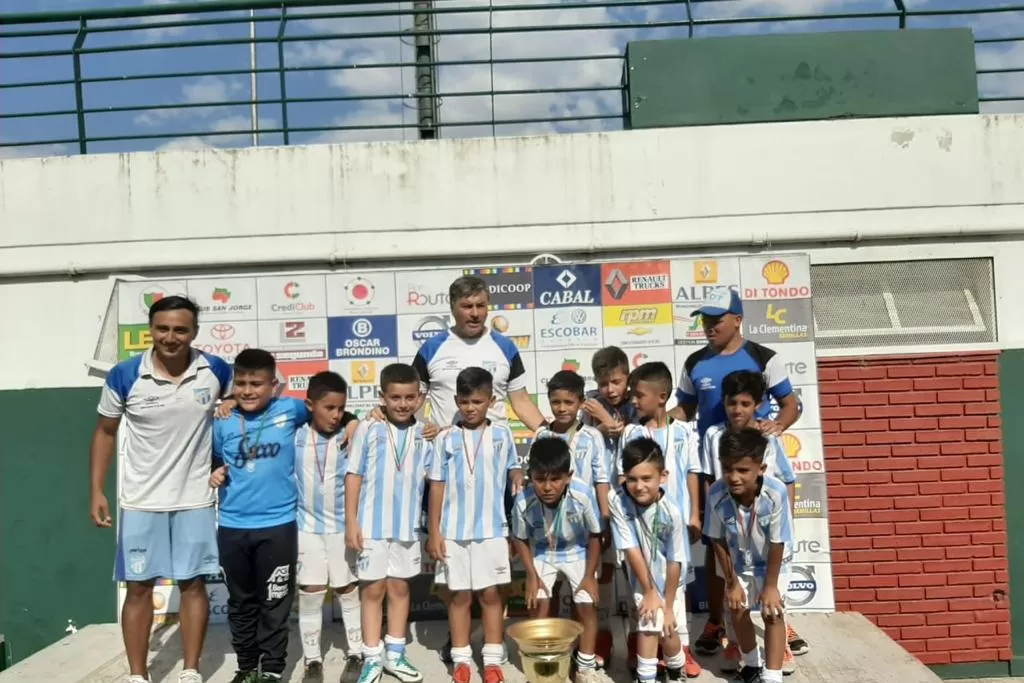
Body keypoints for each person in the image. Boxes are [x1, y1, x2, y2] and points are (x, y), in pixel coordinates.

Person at [406, 275, 548, 660]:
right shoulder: (433, 347)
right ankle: (461, 644)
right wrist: (404, 421)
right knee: (455, 569)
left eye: (481, 306)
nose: (474, 314)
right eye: (467, 307)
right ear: (452, 308)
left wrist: (550, 432)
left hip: (492, 467)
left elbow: (519, 399)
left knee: (494, 573)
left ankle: (490, 647)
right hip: (447, 465)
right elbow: (412, 401)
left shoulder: (503, 346)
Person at [91, 295, 231, 683]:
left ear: (195, 333)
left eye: (180, 329)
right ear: (151, 330)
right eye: (162, 328)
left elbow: (256, 396)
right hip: (140, 501)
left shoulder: (216, 369)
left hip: (196, 499)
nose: (171, 337)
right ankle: (138, 675)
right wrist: (97, 491)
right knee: (138, 588)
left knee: (193, 583)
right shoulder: (124, 374)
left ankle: (189, 670)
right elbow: (104, 432)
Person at [668, 287, 804, 658]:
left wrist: (776, 427)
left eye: (717, 320)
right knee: (719, 551)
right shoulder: (695, 362)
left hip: (754, 471)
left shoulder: (764, 357)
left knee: (769, 553)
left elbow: (791, 405)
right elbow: (683, 410)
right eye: (706, 320)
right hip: (716, 467)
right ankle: (716, 619)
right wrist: (655, 424)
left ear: (738, 319)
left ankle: (780, 620)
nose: (709, 326)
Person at [209, 349, 308, 683]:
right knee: (241, 603)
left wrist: (354, 423)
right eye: (241, 383)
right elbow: (212, 460)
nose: (248, 390)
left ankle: (273, 669)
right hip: (233, 526)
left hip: (278, 526)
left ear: (274, 385)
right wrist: (215, 472)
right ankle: (247, 667)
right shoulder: (222, 420)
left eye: (257, 384)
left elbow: (328, 413)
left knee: (275, 602)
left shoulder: (290, 409)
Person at [427, 367, 523, 683]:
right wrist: (434, 530)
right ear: (456, 400)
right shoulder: (446, 438)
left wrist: (517, 476)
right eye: (465, 401)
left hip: (492, 530)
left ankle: (493, 658)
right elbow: (437, 485)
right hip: (453, 533)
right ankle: (462, 659)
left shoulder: (502, 434)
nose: (471, 408)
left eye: (478, 401)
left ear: (491, 401)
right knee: (459, 597)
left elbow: (512, 470)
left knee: (492, 596)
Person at [344, 363, 434, 683]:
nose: (402, 404)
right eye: (395, 397)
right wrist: (351, 522)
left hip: (407, 526)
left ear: (419, 398)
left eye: (410, 397)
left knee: (399, 587)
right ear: (382, 397)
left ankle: (395, 653)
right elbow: (353, 475)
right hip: (370, 526)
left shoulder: (426, 433)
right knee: (372, 590)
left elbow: (435, 480)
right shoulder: (369, 428)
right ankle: (372, 657)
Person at [703, 370, 797, 674]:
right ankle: (752, 664)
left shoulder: (774, 491)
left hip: (770, 555)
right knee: (737, 607)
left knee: (772, 611)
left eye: (743, 470)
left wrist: (770, 586)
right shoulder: (718, 490)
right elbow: (717, 540)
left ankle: (772, 674)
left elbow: (778, 540)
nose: (734, 476)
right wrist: (730, 582)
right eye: (728, 470)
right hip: (737, 556)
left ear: (760, 468)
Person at [621, 362, 703, 678]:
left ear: (662, 397)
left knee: (676, 590)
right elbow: (623, 475)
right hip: (641, 524)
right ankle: (647, 650)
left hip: (676, 524)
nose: (634, 401)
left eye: (639, 395)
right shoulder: (632, 432)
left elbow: (693, 472)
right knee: (641, 590)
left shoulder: (684, 431)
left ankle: (680, 650)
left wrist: (694, 513)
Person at [510, 438, 603, 683]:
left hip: (577, 550)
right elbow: (520, 539)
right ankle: (543, 665)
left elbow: (595, 535)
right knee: (537, 602)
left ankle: (585, 666)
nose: (548, 487)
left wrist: (589, 576)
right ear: (530, 477)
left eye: (555, 479)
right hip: (543, 552)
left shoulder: (582, 494)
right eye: (540, 479)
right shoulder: (522, 501)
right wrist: (531, 575)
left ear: (569, 476)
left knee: (586, 603)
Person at [294, 371, 362, 682]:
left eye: (341, 409)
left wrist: (354, 419)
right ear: (310, 405)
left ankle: (357, 652)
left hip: (340, 527)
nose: (335, 416)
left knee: (347, 588)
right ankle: (312, 660)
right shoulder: (293, 435)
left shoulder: (351, 435)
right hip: (305, 527)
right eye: (329, 408)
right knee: (310, 591)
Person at [609, 438, 690, 683]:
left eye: (647, 478)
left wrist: (667, 604)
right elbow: (630, 547)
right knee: (648, 623)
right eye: (632, 479)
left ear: (662, 476)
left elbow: (675, 560)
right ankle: (647, 678)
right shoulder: (617, 500)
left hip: (670, 579)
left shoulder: (672, 512)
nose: (639, 486)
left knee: (667, 631)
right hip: (640, 577)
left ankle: (677, 667)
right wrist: (649, 591)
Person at [580, 345, 640, 665]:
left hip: (634, 501)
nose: (610, 389)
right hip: (599, 497)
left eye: (616, 381)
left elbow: (628, 430)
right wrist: (599, 424)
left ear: (627, 378)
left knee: (634, 571)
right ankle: (602, 636)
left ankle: (635, 638)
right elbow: (580, 438)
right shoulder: (588, 404)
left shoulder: (637, 400)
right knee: (602, 570)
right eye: (604, 384)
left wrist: (607, 422)